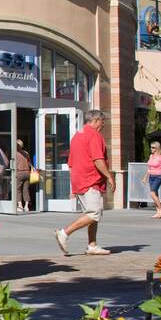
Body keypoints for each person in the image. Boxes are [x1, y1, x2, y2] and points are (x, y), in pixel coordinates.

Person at [54, 109, 115, 256]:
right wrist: (109, 176)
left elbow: (71, 163)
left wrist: (72, 184)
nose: (103, 124)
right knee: (94, 213)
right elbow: (98, 160)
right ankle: (64, 233)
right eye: (102, 121)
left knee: (92, 214)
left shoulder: (77, 136)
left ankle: (92, 245)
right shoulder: (94, 135)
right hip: (91, 180)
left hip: (80, 179)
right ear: (95, 121)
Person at [146, 141, 161, 219]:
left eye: (153, 147)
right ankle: (158, 211)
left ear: (157, 148)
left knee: (152, 193)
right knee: (155, 194)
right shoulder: (151, 156)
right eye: (151, 147)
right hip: (151, 176)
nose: (151, 149)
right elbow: (149, 168)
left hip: (158, 176)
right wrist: (145, 177)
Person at [15, 139, 33, 212]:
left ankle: (20, 206)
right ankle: (26, 206)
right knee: (26, 190)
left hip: (19, 173)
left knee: (18, 190)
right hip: (27, 173)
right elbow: (29, 163)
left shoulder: (15, 153)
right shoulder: (26, 153)